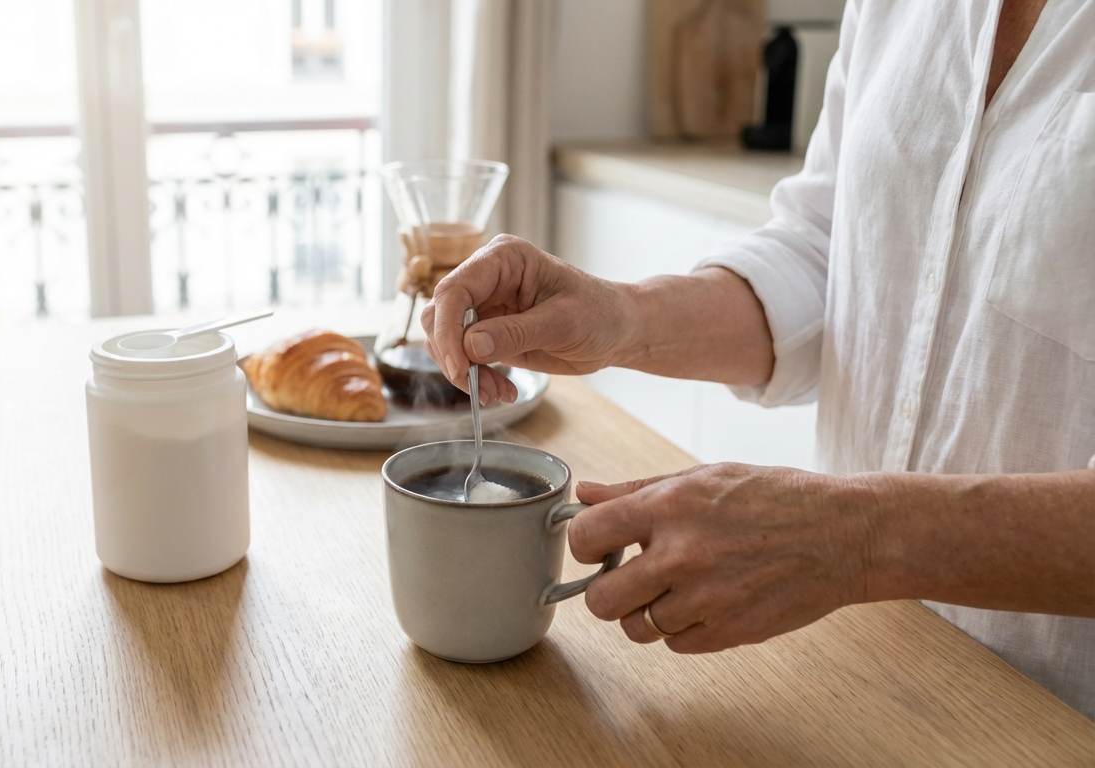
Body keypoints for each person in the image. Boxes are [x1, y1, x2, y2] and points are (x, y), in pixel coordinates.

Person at [421, 0, 1095, 718]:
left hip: (1058, 718)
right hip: (861, 668)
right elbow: (828, 249)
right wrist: (622, 316)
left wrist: (852, 538)